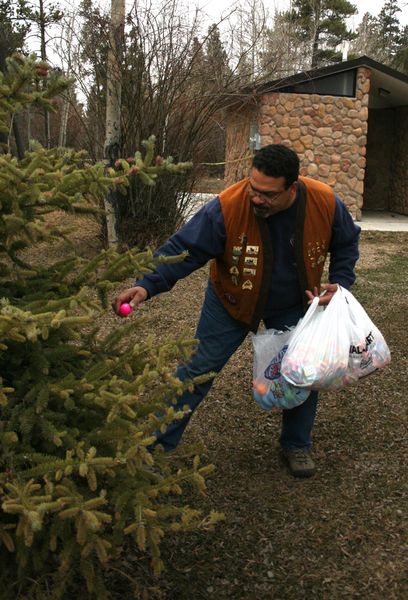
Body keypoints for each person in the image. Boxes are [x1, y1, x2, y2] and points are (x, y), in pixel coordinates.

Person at [113, 144, 360, 478]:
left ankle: (296, 444)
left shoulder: (324, 201)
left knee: (305, 371)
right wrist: (147, 285)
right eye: (253, 188)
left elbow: (346, 241)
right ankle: (155, 450)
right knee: (196, 371)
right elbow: (183, 249)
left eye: (268, 195)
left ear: (293, 188)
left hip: (293, 303)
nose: (257, 198)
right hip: (230, 300)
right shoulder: (227, 206)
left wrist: (340, 282)